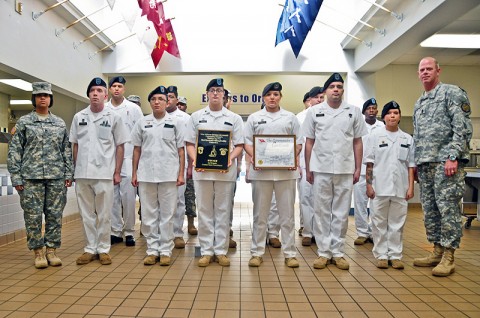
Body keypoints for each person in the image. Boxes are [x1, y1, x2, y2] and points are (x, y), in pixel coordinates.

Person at [412, 57, 472, 277]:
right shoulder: (420, 102)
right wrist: (417, 163)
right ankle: (436, 249)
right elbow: (417, 136)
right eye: (422, 70)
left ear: (438, 71)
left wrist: (453, 156)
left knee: (447, 208)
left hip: (446, 163)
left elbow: (463, 127)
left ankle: (449, 254)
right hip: (426, 163)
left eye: (429, 69)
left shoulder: (452, 93)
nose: (425, 72)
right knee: (430, 209)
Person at [303, 73, 367, 270]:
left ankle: (338, 252)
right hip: (320, 169)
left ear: (343, 90)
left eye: (339, 86)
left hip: (345, 169)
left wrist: (358, 167)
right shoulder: (314, 112)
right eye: (332, 87)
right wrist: (308, 169)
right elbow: (309, 142)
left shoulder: (353, 112)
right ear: (326, 91)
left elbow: (357, 142)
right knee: (321, 211)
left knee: (340, 212)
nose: (336, 89)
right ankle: (323, 252)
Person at [7, 82, 74, 269]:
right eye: (38, 95)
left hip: (56, 177)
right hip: (30, 178)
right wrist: (16, 177)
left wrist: (69, 173)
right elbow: (15, 151)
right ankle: (38, 252)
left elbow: (66, 150)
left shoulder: (59, 123)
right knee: (33, 216)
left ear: (51, 99)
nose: (42, 98)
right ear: (34, 99)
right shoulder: (24, 122)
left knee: (54, 215)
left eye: (46, 95)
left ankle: (51, 250)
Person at [185, 78, 244, 267]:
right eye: (212, 90)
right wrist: (195, 159)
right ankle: (206, 251)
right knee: (204, 211)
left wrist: (230, 158)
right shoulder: (196, 117)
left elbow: (240, 145)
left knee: (222, 211)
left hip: (225, 172)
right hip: (202, 171)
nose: (216, 93)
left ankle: (220, 251)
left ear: (224, 94)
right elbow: (189, 143)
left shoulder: (233, 118)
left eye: (219, 90)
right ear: (207, 94)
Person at [70, 77, 129, 265]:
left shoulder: (114, 118)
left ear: (105, 94)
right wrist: (76, 167)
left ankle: (103, 249)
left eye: (99, 90)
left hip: (105, 173)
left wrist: (117, 171)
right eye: (92, 90)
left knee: (104, 214)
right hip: (83, 174)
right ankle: (89, 248)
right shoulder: (79, 117)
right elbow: (75, 146)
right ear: (88, 94)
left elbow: (120, 146)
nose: (95, 93)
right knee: (86, 214)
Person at [244, 82, 303, 268]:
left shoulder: (290, 118)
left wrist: (289, 158)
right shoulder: (254, 118)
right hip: (261, 173)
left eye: (276, 94)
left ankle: (290, 253)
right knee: (260, 215)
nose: (272, 97)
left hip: (286, 174)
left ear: (280, 97)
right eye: (268, 94)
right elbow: (247, 143)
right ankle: (256, 252)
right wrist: (257, 157)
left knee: (287, 216)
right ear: (263, 97)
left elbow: (299, 143)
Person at [131, 86, 185, 266]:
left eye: (161, 99)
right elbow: (136, 149)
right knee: (148, 215)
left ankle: (165, 250)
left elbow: (181, 151)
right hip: (146, 175)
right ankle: (152, 250)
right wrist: (134, 172)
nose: (157, 102)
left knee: (168, 214)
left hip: (169, 174)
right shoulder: (142, 122)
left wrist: (181, 173)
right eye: (153, 99)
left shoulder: (176, 122)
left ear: (167, 102)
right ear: (150, 102)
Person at [365, 101, 415, 269]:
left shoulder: (407, 138)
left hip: (400, 188)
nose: (392, 116)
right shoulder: (375, 136)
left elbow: (410, 166)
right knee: (378, 223)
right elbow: (370, 164)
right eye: (389, 113)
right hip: (379, 187)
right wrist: (369, 185)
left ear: (400, 116)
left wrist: (411, 187)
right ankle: (381, 254)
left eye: (396, 113)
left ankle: (395, 255)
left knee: (397, 223)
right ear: (384, 117)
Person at [107, 76, 143, 247]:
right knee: (112, 197)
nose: (116, 89)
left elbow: (140, 134)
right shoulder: (104, 108)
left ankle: (129, 231)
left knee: (128, 197)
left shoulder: (134, 108)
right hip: (109, 158)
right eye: (113, 86)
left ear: (124, 89)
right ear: (109, 89)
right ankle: (115, 231)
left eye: (119, 86)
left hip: (128, 157)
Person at [166, 86, 196, 247]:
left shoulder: (185, 118)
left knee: (178, 201)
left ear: (177, 100)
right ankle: (162, 235)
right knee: (160, 202)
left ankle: (177, 234)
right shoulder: (152, 118)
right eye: (165, 96)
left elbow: (190, 143)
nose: (167, 99)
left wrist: (190, 167)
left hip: (180, 166)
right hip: (159, 167)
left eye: (171, 96)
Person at [353, 98, 384, 245]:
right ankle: (362, 232)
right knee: (360, 203)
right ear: (364, 111)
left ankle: (373, 231)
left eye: (374, 108)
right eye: (368, 108)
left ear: (377, 111)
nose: (371, 110)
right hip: (360, 170)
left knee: (376, 203)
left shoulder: (382, 126)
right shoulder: (358, 126)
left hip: (377, 171)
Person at [297, 86, 324, 246]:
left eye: (322, 98)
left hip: (322, 165)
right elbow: (296, 141)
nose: (319, 101)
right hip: (304, 164)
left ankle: (319, 233)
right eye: (316, 98)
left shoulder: (328, 115)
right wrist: (296, 164)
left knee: (321, 200)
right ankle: (307, 232)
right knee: (305, 199)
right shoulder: (300, 117)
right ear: (310, 100)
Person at [177, 96, 198, 235]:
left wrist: (191, 166)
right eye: (177, 104)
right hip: (174, 165)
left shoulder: (189, 120)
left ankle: (190, 224)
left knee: (189, 197)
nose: (179, 106)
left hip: (188, 164)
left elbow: (192, 145)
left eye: (182, 104)